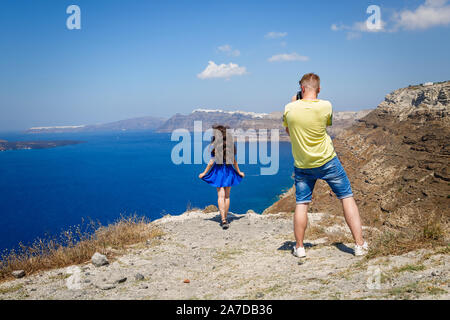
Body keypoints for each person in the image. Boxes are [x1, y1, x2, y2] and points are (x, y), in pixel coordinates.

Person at [283, 73, 368, 257]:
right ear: (319, 89)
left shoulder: (289, 108)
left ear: (302, 88)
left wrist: (294, 102)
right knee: (346, 197)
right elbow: (324, 124)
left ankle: (299, 248)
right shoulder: (326, 106)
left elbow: (289, 131)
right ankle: (359, 245)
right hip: (328, 161)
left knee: (302, 203)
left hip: (303, 165)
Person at [198, 125, 245, 230]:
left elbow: (211, 162)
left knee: (220, 196)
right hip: (228, 172)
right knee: (227, 196)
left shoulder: (216, 148)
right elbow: (234, 162)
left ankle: (223, 219)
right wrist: (239, 172)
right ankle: (226, 218)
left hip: (218, 172)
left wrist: (204, 173)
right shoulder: (230, 147)